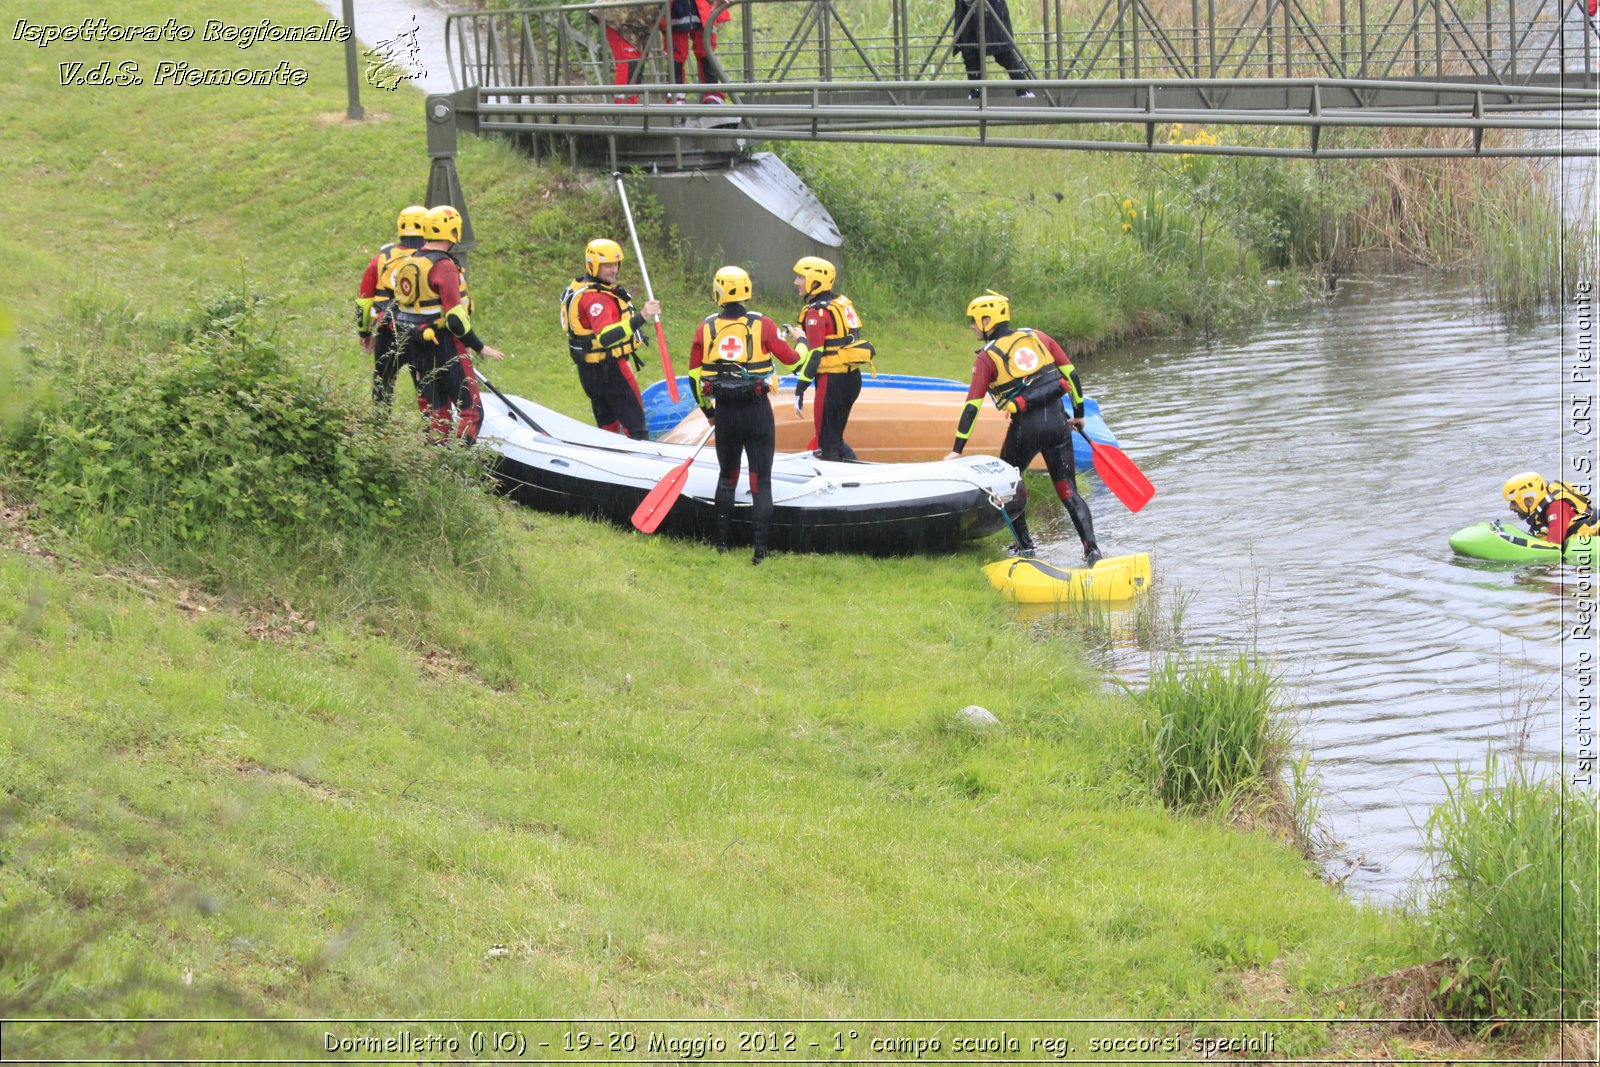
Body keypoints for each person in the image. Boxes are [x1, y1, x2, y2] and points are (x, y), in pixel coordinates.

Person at [943, 290, 1100, 565]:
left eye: (974, 320)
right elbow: (1071, 375)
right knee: (1068, 491)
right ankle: (1092, 552)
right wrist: (1078, 415)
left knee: (1008, 484)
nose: (971, 326)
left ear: (987, 320)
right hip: (1058, 426)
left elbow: (972, 406)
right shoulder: (1038, 337)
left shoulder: (987, 358)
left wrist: (957, 449)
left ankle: (1026, 547)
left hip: (1024, 430)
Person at [687, 266, 804, 564]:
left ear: (719, 292)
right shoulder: (763, 324)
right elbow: (792, 362)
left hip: (726, 413)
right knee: (759, 481)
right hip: (756, 413)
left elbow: (693, 377)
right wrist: (801, 341)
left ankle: (722, 545)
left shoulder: (705, 327)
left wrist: (709, 412)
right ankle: (760, 552)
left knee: (727, 478)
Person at [390, 205, 503, 445]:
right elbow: (454, 317)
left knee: (437, 416)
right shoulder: (444, 266)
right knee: (471, 412)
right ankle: (457, 465)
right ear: (453, 232)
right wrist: (479, 346)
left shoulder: (410, 261)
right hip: (444, 345)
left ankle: (436, 469)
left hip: (417, 346)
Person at [560, 238, 660, 440]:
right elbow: (606, 337)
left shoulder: (581, 287)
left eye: (616, 264)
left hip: (590, 372)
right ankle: (643, 465)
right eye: (607, 265)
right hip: (612, 370)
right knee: (636, 427)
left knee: (607, 426)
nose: (613, 270)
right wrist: (642, 317)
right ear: (593, 265)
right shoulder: (596, 299)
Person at [784, 256, 875, 462]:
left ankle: (836, 488)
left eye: (800, 277)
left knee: (827, 445)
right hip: (852, 379)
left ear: (815, 282)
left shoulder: (816, 312)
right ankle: (858, 474)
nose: (796, 282)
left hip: (832, 383)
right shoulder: (840, 303)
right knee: (835, 440)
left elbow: (815, 355)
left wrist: (800, 389)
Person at [356, 204, 427, 406]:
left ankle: (380, 428)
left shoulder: (380, 260)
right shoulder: (434, 261)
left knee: (383, 387)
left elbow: (363, 300)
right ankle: (435, 433)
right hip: (423, 334)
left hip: (388, 331)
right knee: (428, 390)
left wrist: (364, 334)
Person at [953, 0, 1034, 98]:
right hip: (968, 16)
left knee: (1004, 54)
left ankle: (1024, 91)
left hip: (991, 13)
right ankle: (977, 94)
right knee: (971, 58)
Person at [1503, 472, 1595, 547]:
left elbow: (1554, 547)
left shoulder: (1556, 508)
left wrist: (1517, 542)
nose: (1511, 507)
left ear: (1529, 500)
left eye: (1513, 502)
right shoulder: (1544, 503)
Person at [664, 0, 730, 103]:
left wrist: (721, 14)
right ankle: (676, 95)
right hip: (676, 13)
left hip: (701, 12)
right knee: (677, 56)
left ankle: (712, 95)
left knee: (705, 53)